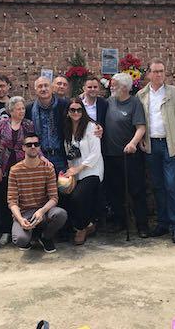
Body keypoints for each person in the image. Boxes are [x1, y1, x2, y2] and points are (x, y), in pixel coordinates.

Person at [137, 59, 175, 244]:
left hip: (170, 146)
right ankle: (162, 223)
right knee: (158, 186)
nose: (158, 74)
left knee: (171, 185)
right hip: (151, 146)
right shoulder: (141, 95)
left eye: (161, 71)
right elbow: (139, 122)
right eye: (155, 71)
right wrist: (141, 142)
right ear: (149, 74)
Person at [103, 72, 149, 237]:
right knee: (115, 191)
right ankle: (119, 222)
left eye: (114, 84)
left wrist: (133, 143)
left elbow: (141, 127)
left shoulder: (134, 103)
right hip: (111, 155)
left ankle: (142, 225)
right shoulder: (109, 102)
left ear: (124, 87)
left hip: (130, 156)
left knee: (136, 191)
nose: (111, 86)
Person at [7, 132, 68, 253]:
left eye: (36, 144)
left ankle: (45, 237)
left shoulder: (48, 168)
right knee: (20, 240)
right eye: (29, 145)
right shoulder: (15, 170)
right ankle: (29, 236)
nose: (33, 147)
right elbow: (12, 201)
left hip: (43, 211)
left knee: (61, 214)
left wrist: (42, 211)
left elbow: (54, 198)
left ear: (40, 147)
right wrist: (20, 219)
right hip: (25, 213)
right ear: (23, 147)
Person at [0, 96, 37, 246]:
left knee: (23, 199)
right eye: (18, 109)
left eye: (23, 108)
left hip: (23, 167)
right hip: (4, 167)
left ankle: (24, 228)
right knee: (5, 199)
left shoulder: (28, 124)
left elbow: (33, 144)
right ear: (11, 111)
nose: (22, 111)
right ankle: (5, 230)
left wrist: (42, 160)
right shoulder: (3, 124)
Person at [62, 98, 104, 245]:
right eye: (72, 110)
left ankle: (81, 228)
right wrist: (69, 171)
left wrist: (78, 169)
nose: (76, 112)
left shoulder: (91, 127)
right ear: (68, 112)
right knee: (67, 196)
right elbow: (69, 153)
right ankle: (88, 225)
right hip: (75, 171)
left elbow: (95, 153)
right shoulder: (67, 128)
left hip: (92, 170)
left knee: (78, 197)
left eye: (79, 110)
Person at [26, 76, 69, 173]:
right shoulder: (29, 109)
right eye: (40, 86)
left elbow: (78, 117)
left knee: (61, 186)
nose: (44, 89)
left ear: (52, 88)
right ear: (35, 90)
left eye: (46, 86)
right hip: (38, 156)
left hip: (60, 156)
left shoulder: (64, 105)